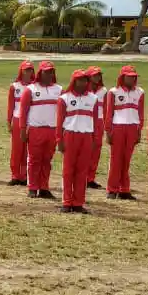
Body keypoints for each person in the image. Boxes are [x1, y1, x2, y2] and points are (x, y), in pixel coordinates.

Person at [55, 69, 102, 214]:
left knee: (82, 171)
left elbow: (94, 120)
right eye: (80, 80)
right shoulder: (65, 98)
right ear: (74, 81)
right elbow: (59, 121)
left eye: (85, 80)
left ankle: (78, 202)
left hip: (86, 136)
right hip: (70, 135)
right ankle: (66, 201)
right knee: (68, 171)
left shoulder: (93, 99)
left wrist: (94, 139)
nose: (83, 83)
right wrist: (59, 140)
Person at [19, 61, 61, 199]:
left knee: (47, 160)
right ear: (40, 73)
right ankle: (32, 187)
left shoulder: (59, 90)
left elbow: (64, 112)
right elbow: (23, 111)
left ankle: (44, 187)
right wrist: (22, 129)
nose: (49, 74)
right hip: (36, 129)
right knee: (34, 159)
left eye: (51, 72)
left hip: (52, 130)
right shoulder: (30, 89)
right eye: (46, 71)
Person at [105, 66, 144, 200]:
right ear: (122, 77)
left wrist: (139, 131)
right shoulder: (114, 92)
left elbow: (140, 113)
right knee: (116, 159)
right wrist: (108, 131)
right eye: (129, 76)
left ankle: (124, 189)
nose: (132, 78)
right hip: (118, 127)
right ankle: (112, 189)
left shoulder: (140, 92)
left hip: (132, 127)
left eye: (134, 76)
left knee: (127, 159)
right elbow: (109, 113)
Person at [6, 61, 34, 186]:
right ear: (21, 71)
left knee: (27, 151)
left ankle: (24, 176)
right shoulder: (14, 86)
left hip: (31, 121)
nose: (28, 72)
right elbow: (10, 106)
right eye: (26, 70)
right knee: (17, 149)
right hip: (17, 119)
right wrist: (9, 121)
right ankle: (15, 175)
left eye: (30, 70)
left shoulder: (35, 87)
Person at [85, 66, 107, 190]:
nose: (97, 77)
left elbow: (106, 108)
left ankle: (90, 178)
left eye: (99, 75)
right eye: (94, 75)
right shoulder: (83, 89)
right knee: (85, 149)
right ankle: (82, 176)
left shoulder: (103, 90)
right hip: (86, 121)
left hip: (99, 122)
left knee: (96, 150)